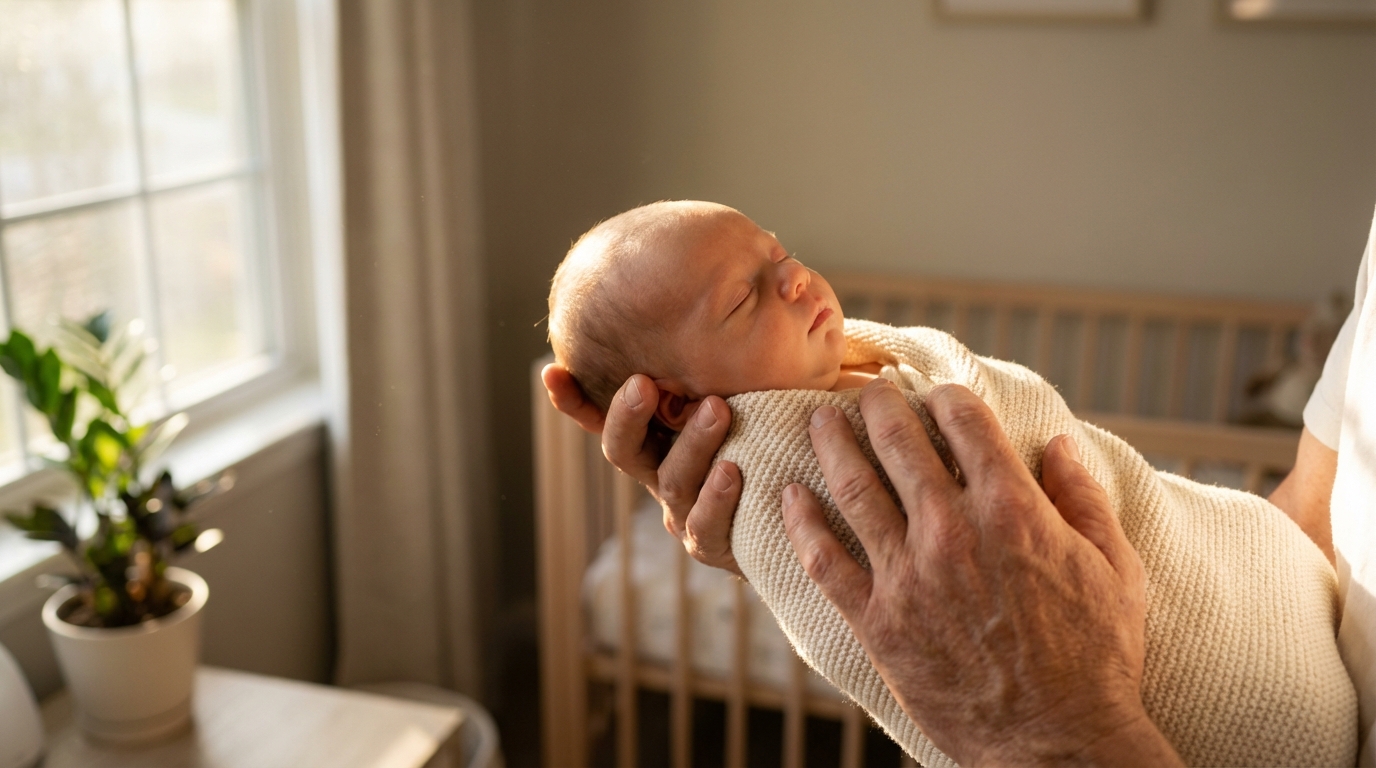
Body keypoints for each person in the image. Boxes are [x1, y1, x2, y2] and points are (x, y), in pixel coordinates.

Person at [542, 207, 1376, 766]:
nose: (794, 280)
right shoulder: (777, 461)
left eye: (779, 256)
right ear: (681, 403)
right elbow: (1319, 507)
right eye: (741, 299)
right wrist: (762, 530)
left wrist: (1063, 721)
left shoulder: (874, 372)